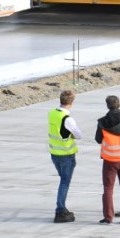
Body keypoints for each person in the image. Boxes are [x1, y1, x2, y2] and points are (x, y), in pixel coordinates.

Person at [95, 95, 120, 224]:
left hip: (110, 159)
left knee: (108, 188)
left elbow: (98, 139)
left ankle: (108, 217)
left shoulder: (102, 122)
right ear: (119, 104)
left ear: (108, 105)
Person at [47, 92, 79, 223]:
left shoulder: (52, 113)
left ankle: (61, 207)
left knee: (63, 181)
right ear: (71, 102)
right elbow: (78, 134)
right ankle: (60, 209)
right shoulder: (67, 118)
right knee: (64, 182)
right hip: (66, 155)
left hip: (54, 153)